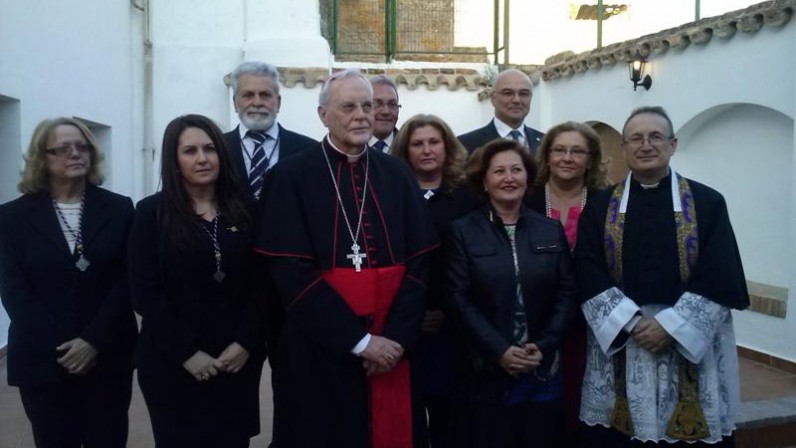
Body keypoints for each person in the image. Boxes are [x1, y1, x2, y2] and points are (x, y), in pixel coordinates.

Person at [255, 69, 438, 448]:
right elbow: (291, 275)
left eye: (367, 106)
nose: (361, 115)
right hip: (317, 350)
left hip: (391, 345)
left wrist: (395, 341)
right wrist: (358, 341)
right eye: (348, 106)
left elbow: (419, 265)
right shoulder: (290, 176)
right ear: (323, 115)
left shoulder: (397, 173)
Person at [574, 106, 748, 447]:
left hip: (687, 348)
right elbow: (586, 269)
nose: (646, 145)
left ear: (673, 144)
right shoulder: (599, 208)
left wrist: (671, 326)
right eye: (635, 138)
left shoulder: (708, 203)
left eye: (656, 136)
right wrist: (633, 323)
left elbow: (720, 271)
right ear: (623, 148)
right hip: (626, 342)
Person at [0, 117, 137, 447]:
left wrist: (92, 341)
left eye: (82, 146)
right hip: (43, 359)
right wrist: (64, 347)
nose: (74, 153)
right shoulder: (11, 217)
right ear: (41, 158)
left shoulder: (119, 209)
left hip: (107, 356)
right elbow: (14, 289)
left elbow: (127, 279)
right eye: (62, 148)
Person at [129, 114, 265, 447]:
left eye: (209, 149)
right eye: (189, 151)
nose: (202, 158)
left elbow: (265, 284)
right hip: (173, 362)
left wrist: (246, 342)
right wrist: (187, 353)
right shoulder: (151, 213)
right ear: (174, 161)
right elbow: (143, 290)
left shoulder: (249, 210)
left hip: (236, 360)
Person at [446, 139, 577, 448]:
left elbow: (567, 292)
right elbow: (457, 299)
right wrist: (500, 350)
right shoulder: (463, 231)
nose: (509, 178)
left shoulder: (549, 230)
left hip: (541, 367)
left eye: (516, 170)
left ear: (528, 178)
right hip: (487, 370)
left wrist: (543, 346)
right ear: (484, 181)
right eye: (499, 171)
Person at [392, 114, 479, 448]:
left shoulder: (468, 197)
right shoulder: (392, 193)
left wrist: (446, 311)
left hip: (454, 327)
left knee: (451, 423)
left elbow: (473, 262)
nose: (426, 150)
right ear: (405, 150)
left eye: (433, 142)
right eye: (417, 144)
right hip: (403, 326)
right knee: (408, 422)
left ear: (447, 146)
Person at [526, 121, 609, 447]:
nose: (567, 158)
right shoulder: (527, 198)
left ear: (591, 158)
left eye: (577, 151)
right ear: (547, 155)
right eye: (559, 149)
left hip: (590, 323)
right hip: (536, 319)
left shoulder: (606, 201)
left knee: (581, 402)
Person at [224, 61, 317, 200]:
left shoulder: (309, 150)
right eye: (248, 95)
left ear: (278, 102)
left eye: (265, 95)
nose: (257, 102)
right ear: (235, 103)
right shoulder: (217, 148)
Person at [457, 69, 544, 155]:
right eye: (508, 93)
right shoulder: (466, 144)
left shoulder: (545, 142)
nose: (516, 100)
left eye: (523, 94)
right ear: (493, 98)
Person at [369, 75, 401, 153]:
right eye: (377, 104)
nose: (385, 111)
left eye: (392, 104)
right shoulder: (349, 147)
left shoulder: (409, 147)